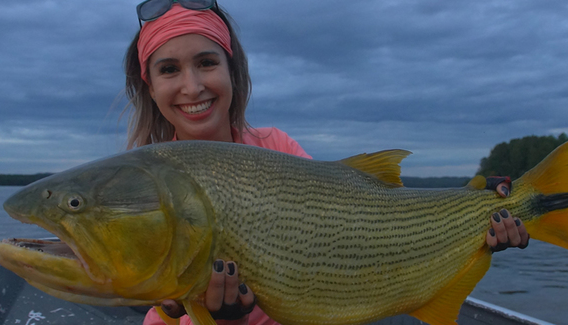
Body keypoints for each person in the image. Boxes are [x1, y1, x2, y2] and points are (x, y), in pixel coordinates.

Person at [122, 1, 530, 324]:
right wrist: (188, 312)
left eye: (207, 63)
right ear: (150, 86)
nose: (192, 85)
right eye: (169, 70)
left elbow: (358, 217)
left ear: (233, 71)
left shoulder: (276, 145)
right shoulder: (140, 185)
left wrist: (475, 210)